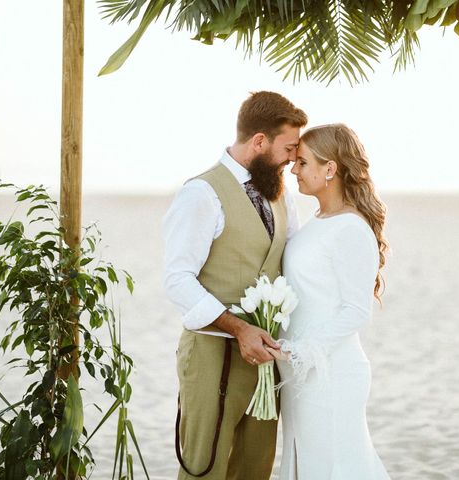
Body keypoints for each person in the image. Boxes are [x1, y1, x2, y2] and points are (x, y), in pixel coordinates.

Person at [163, 91, 307, 480]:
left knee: (253, 472)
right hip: (212, 357)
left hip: (264, 365)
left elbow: (293, 260)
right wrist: (239, 328)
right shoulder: (201, 193)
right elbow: (177, 280)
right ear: (259, 142)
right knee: (203, 471)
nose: (294, 158)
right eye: (289, 148)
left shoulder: (279, 193)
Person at [268, 123, 392, 479]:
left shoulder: (351, 229)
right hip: (303, 373)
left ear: (330, 169)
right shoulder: (319, 220)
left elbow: (356, 311)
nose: (293, 169)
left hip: (331, 374)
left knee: (335, 467)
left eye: (303, 163)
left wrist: (300, 351)